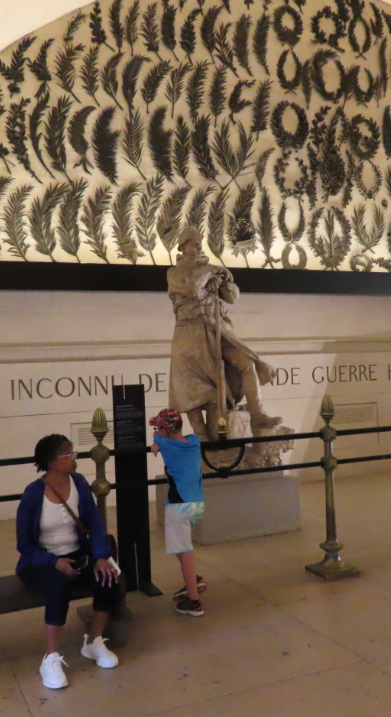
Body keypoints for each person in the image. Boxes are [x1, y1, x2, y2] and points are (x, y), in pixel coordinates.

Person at [15, 434, 122, 689]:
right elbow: (24, 545)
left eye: (74, 453)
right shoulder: (33, 494)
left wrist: (99, 556)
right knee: (58, 587)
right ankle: (50, 657)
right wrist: (53, 561)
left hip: (77, 556)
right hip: (40, 563)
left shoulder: (79, 483)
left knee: (108, 578)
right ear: (52, 462)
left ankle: (94, 642)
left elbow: (95, 524)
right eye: (68, 455)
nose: (75, 459)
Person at [166, 226, 281, 440]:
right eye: (193, 243)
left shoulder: (210, 269)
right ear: (182, 248)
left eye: (200, 243)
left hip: (216, 327)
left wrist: (227, 279)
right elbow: (191, 286)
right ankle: (200, 434)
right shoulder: (176, 272)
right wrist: (212, 270)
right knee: (190, 385)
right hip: (190, 331)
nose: (198, 247)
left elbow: (232, 297)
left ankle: (256, 415)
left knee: (246, 362)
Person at [149, 408, 207, 616]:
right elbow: (162, 437)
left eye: (159, 426)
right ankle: (193, 581)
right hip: (197, 504)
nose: (156, 429)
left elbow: (156, 439)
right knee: (180, 548)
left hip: (178, 506)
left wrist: (156, 441)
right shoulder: (194, 440)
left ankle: (194, 604)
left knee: (185, 553)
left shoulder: (165, 443)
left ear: (165, 429)